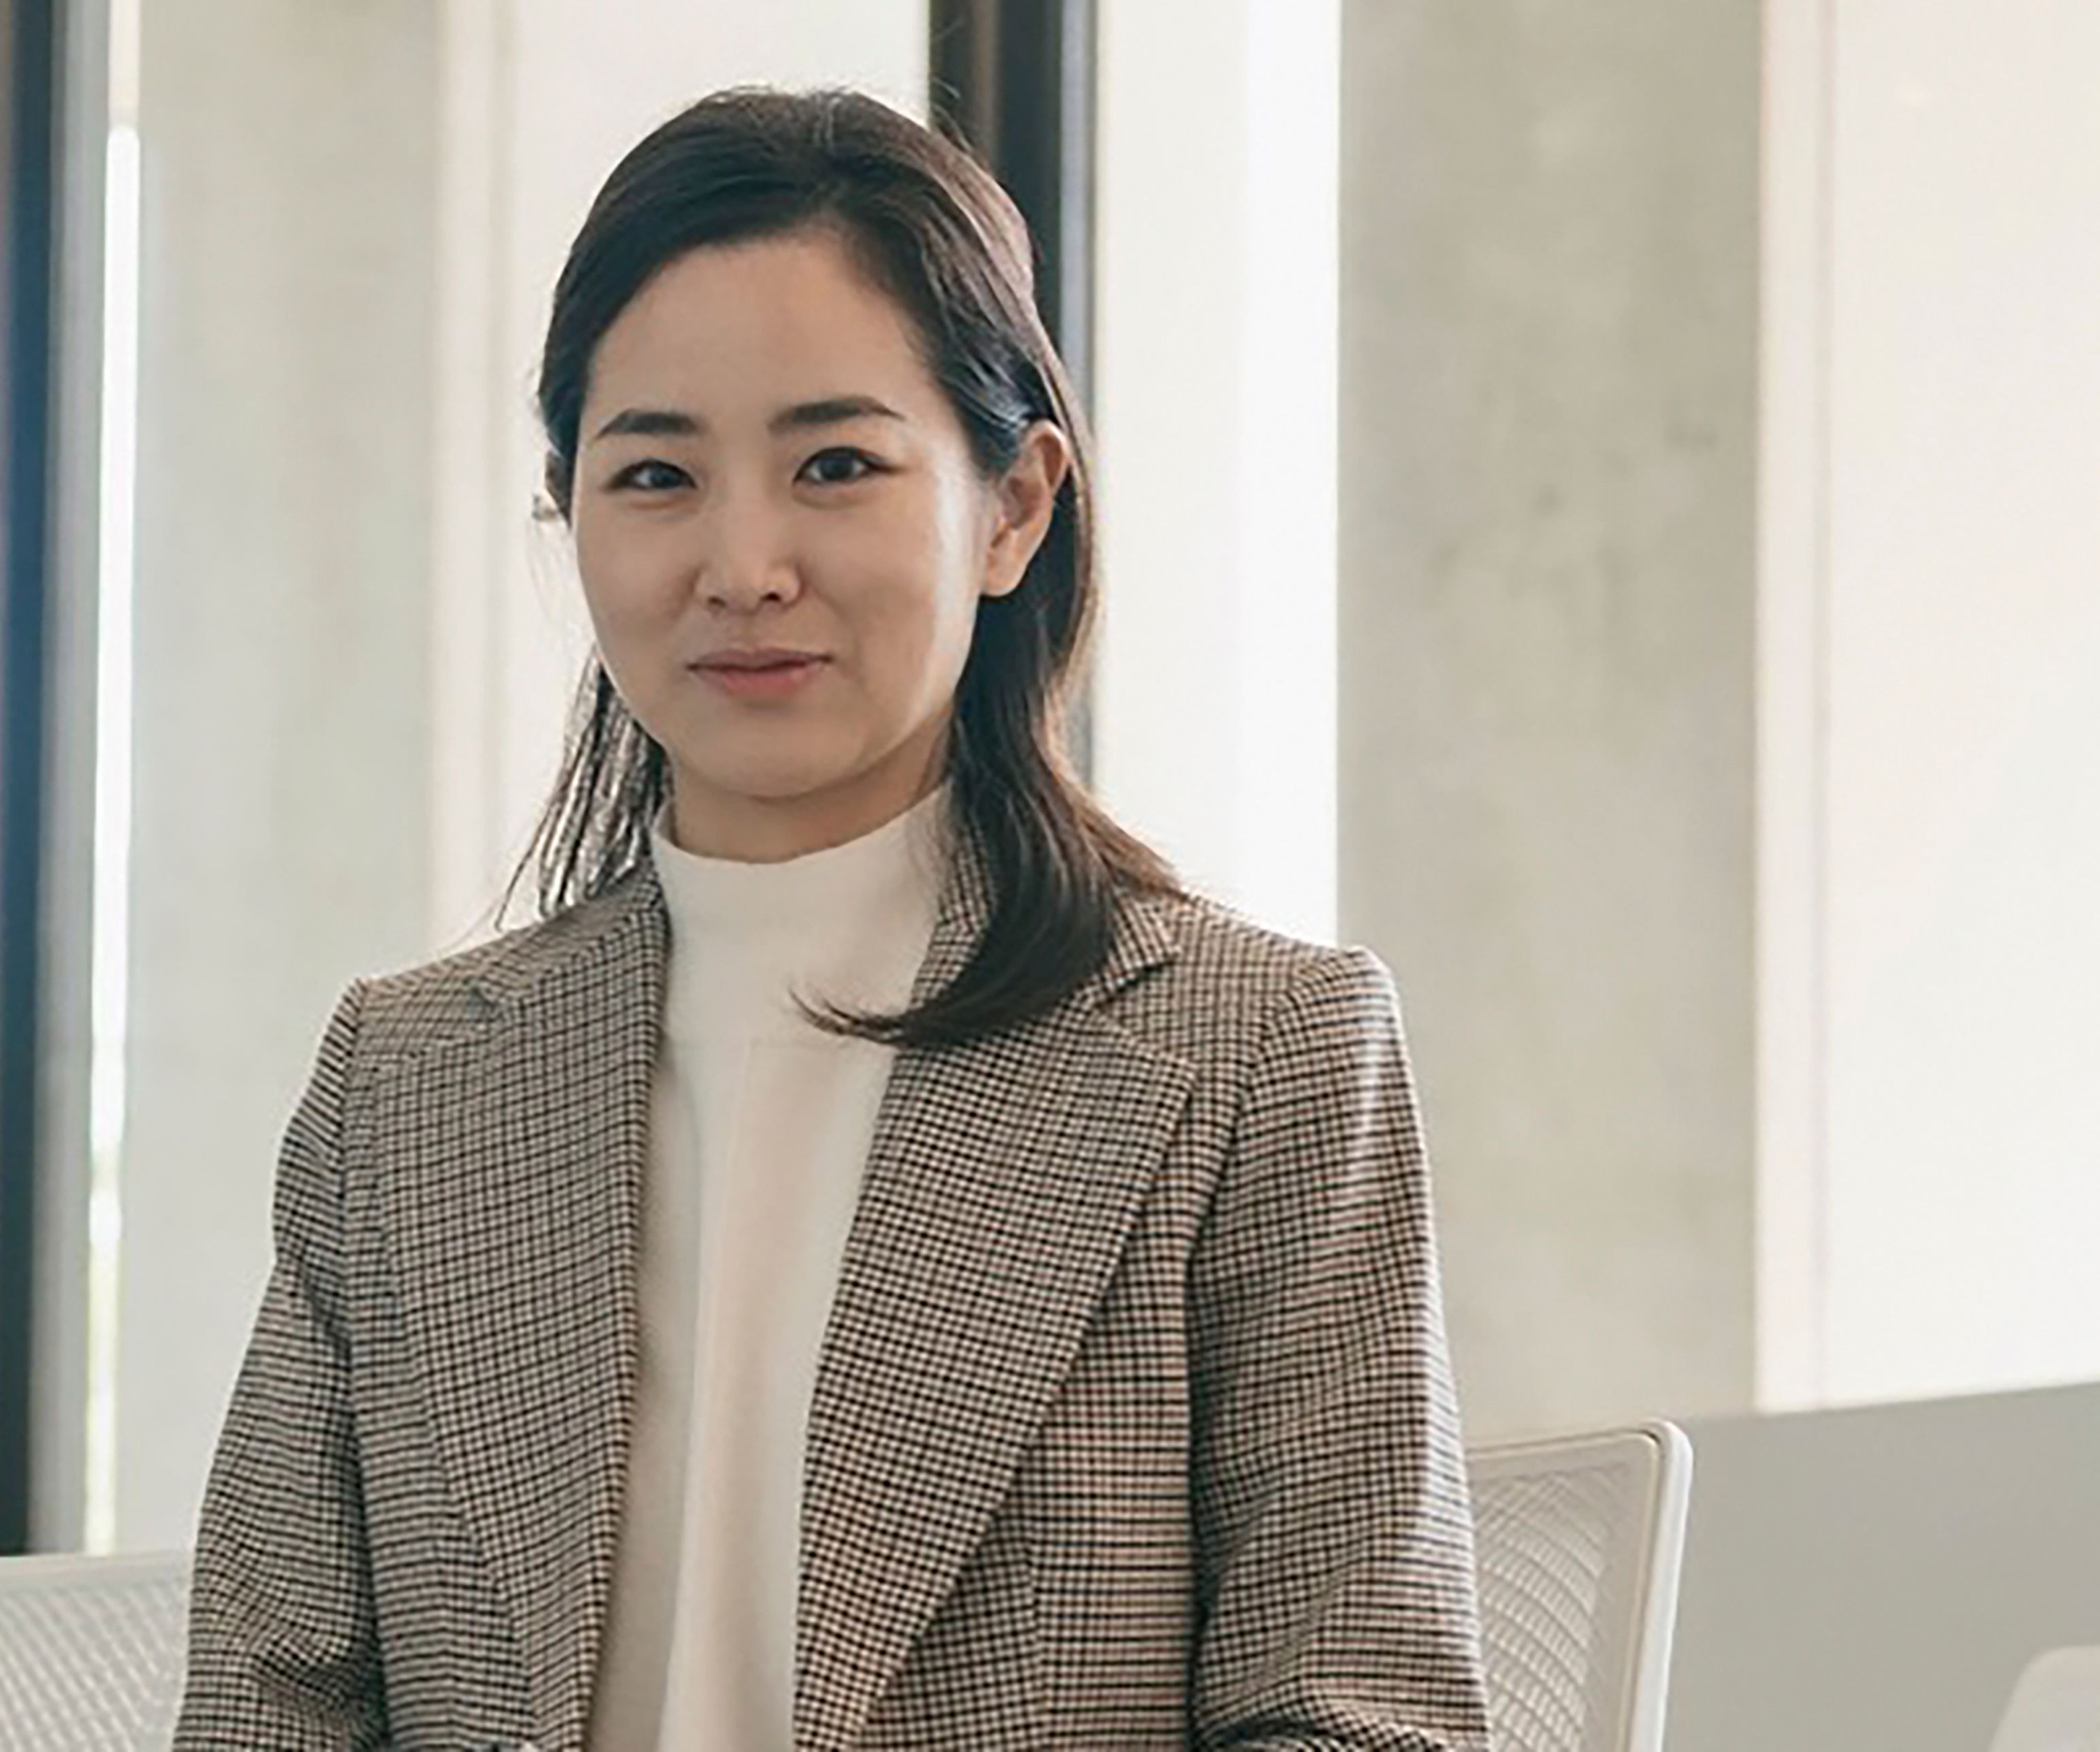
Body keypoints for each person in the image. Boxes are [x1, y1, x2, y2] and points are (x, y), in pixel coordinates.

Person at [173, 83, 1490, 1752]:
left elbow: (1361, 1718)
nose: (742, 560)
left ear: (1012, 506)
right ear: (567, 512)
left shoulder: (1257, 1052)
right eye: (655, 472)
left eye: (837, 464)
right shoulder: (407, 1080)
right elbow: (267, 1711)